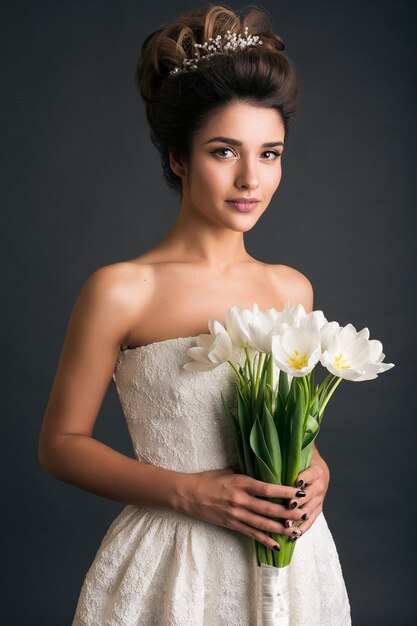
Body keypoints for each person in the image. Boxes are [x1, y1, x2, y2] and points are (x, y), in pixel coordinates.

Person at [38, 4, 351, 625]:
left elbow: (290, 425)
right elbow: (60, 445)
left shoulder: (291, 288)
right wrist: (193, 492)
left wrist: (317, 470)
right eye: (223, 151)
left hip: (291, 560)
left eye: (269, 154)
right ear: (179, 159)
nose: (249, 179)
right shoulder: (122, 290)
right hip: (174, 559)